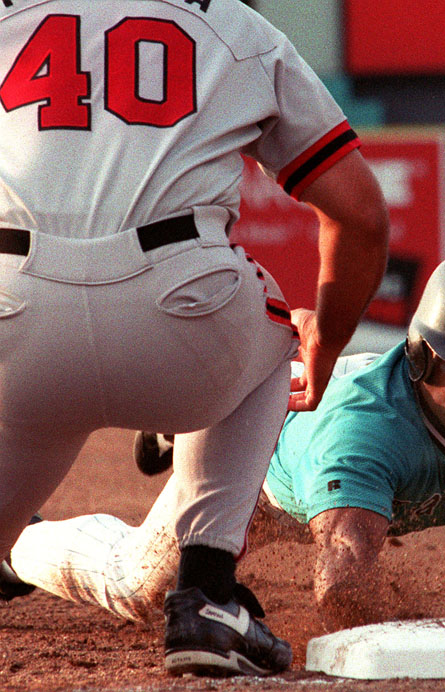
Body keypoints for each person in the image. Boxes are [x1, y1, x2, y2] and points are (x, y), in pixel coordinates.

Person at [0, 0, 389, 679]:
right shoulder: (236, 26)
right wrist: (322, 345)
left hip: (13, 317)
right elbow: (360, 215)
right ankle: (208, 593)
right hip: (180, 312)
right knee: (280, 332)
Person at [3, 252, 445, 642]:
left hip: (352, 461)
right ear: (424, 357)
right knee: (141, 586)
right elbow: (342, 587)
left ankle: (205, 403)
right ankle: (13, 547)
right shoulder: (364, 427)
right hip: (261, 467)